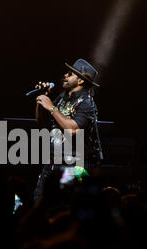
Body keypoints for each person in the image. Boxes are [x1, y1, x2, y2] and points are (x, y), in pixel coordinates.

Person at [33, 58, 102, 202]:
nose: (65, 75)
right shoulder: (62, 98)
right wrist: (43, 99)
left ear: (80, 81)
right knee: (40, 201)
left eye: (70, 74)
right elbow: (42, 122)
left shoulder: (87, 103)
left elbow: (73, 128)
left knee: (64, 204)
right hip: (53, 163)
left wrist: (51, 107)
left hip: (73, 167)